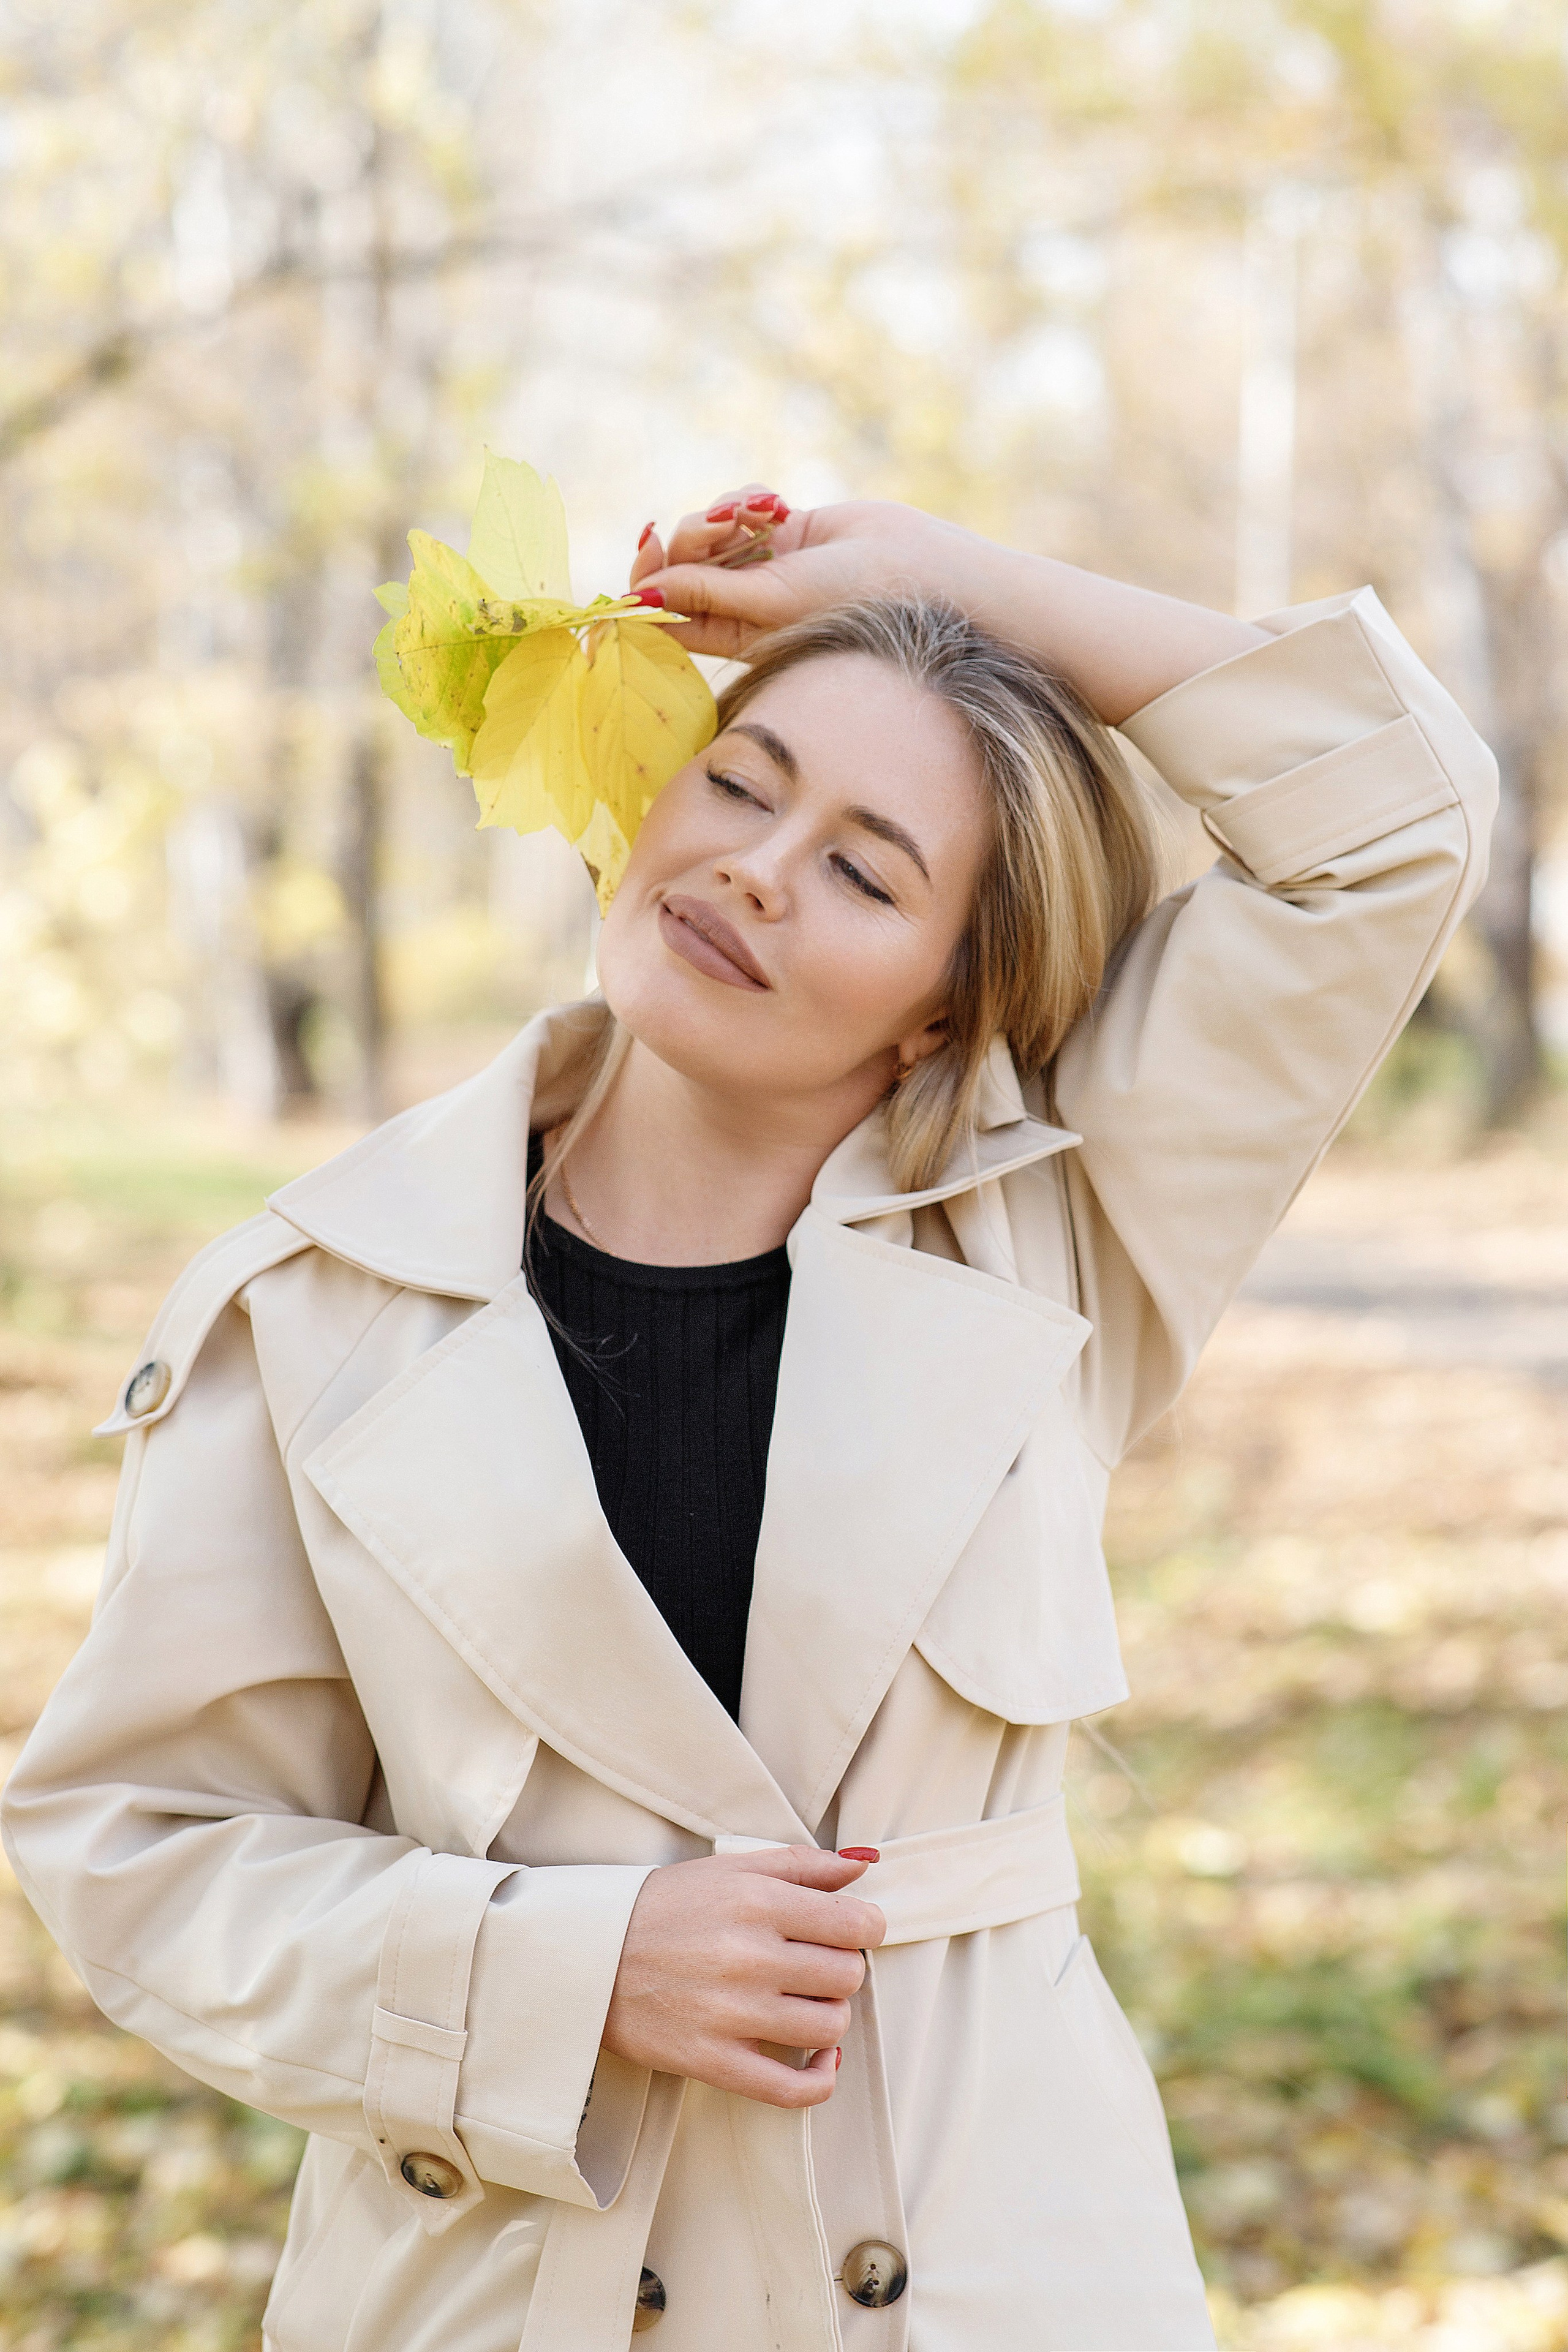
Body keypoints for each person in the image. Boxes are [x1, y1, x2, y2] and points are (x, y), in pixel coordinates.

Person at [1, 487, 1495, 2352]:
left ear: (944, 1017)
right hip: (497, 2292)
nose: (759, 868)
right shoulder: (311, 1304)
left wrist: (938, 583)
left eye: (869, 871)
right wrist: (573, 1972)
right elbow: (139, 1846)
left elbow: (1390, 819)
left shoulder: (1065, 1230)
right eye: (741, 783)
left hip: (990, 2289)